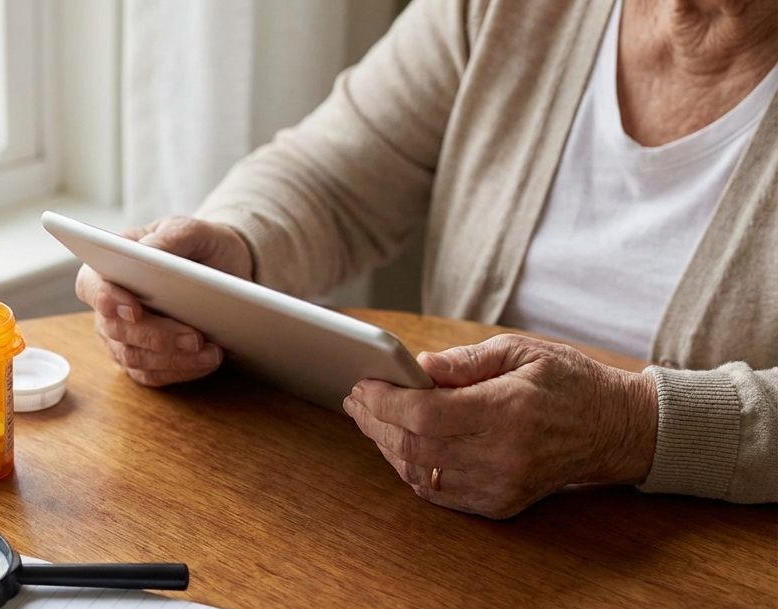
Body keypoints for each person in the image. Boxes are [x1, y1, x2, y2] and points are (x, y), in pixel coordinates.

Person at [75, 0, 778, 518]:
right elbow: (331, 173)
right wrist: (234, 246)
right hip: (446, 519)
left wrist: (635, 427)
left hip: (710, 567)